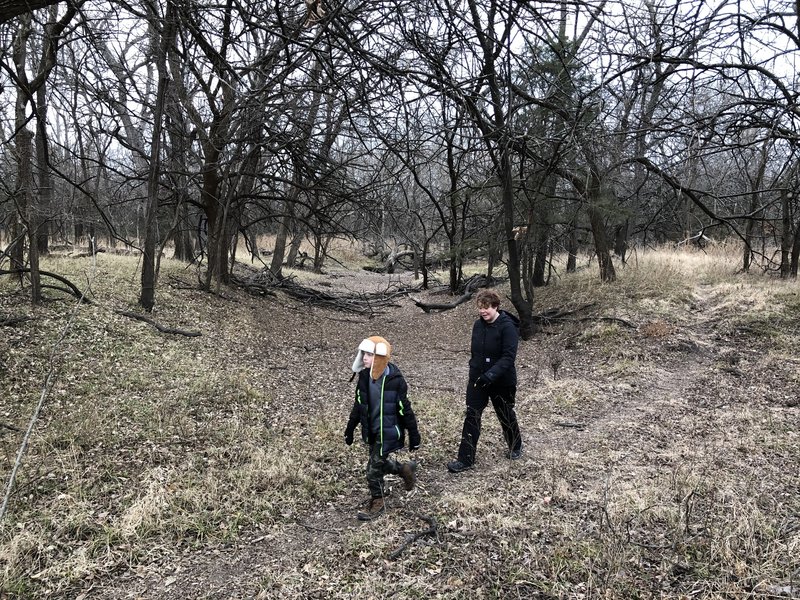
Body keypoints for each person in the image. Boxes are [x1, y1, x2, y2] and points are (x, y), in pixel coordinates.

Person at [345, 336, 421, 521]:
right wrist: (350, 428)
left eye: (369, 354)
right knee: (379, 462)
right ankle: (404, 469)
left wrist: (414, 434)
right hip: (371, 429)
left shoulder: (395, 380)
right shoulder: (363, 377)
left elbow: (405, 409)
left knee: (372, 469)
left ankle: (378, 501)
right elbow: (359, 405)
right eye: (363, 354)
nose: (364, 358)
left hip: (387, 432)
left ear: (379, 357)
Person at [447, 289, 522, 473]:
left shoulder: (507, 327)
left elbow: (508, 357)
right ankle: (465, 459)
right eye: (480, 308)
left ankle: (516, 445)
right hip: (478, 380)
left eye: (486, 307)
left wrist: (490, 375)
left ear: (495, 306)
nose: (482, 311)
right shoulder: (477, 325)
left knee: (505, 413)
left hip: (501, 381)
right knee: (472, 416)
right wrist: (475, 372)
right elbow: (476, 352)